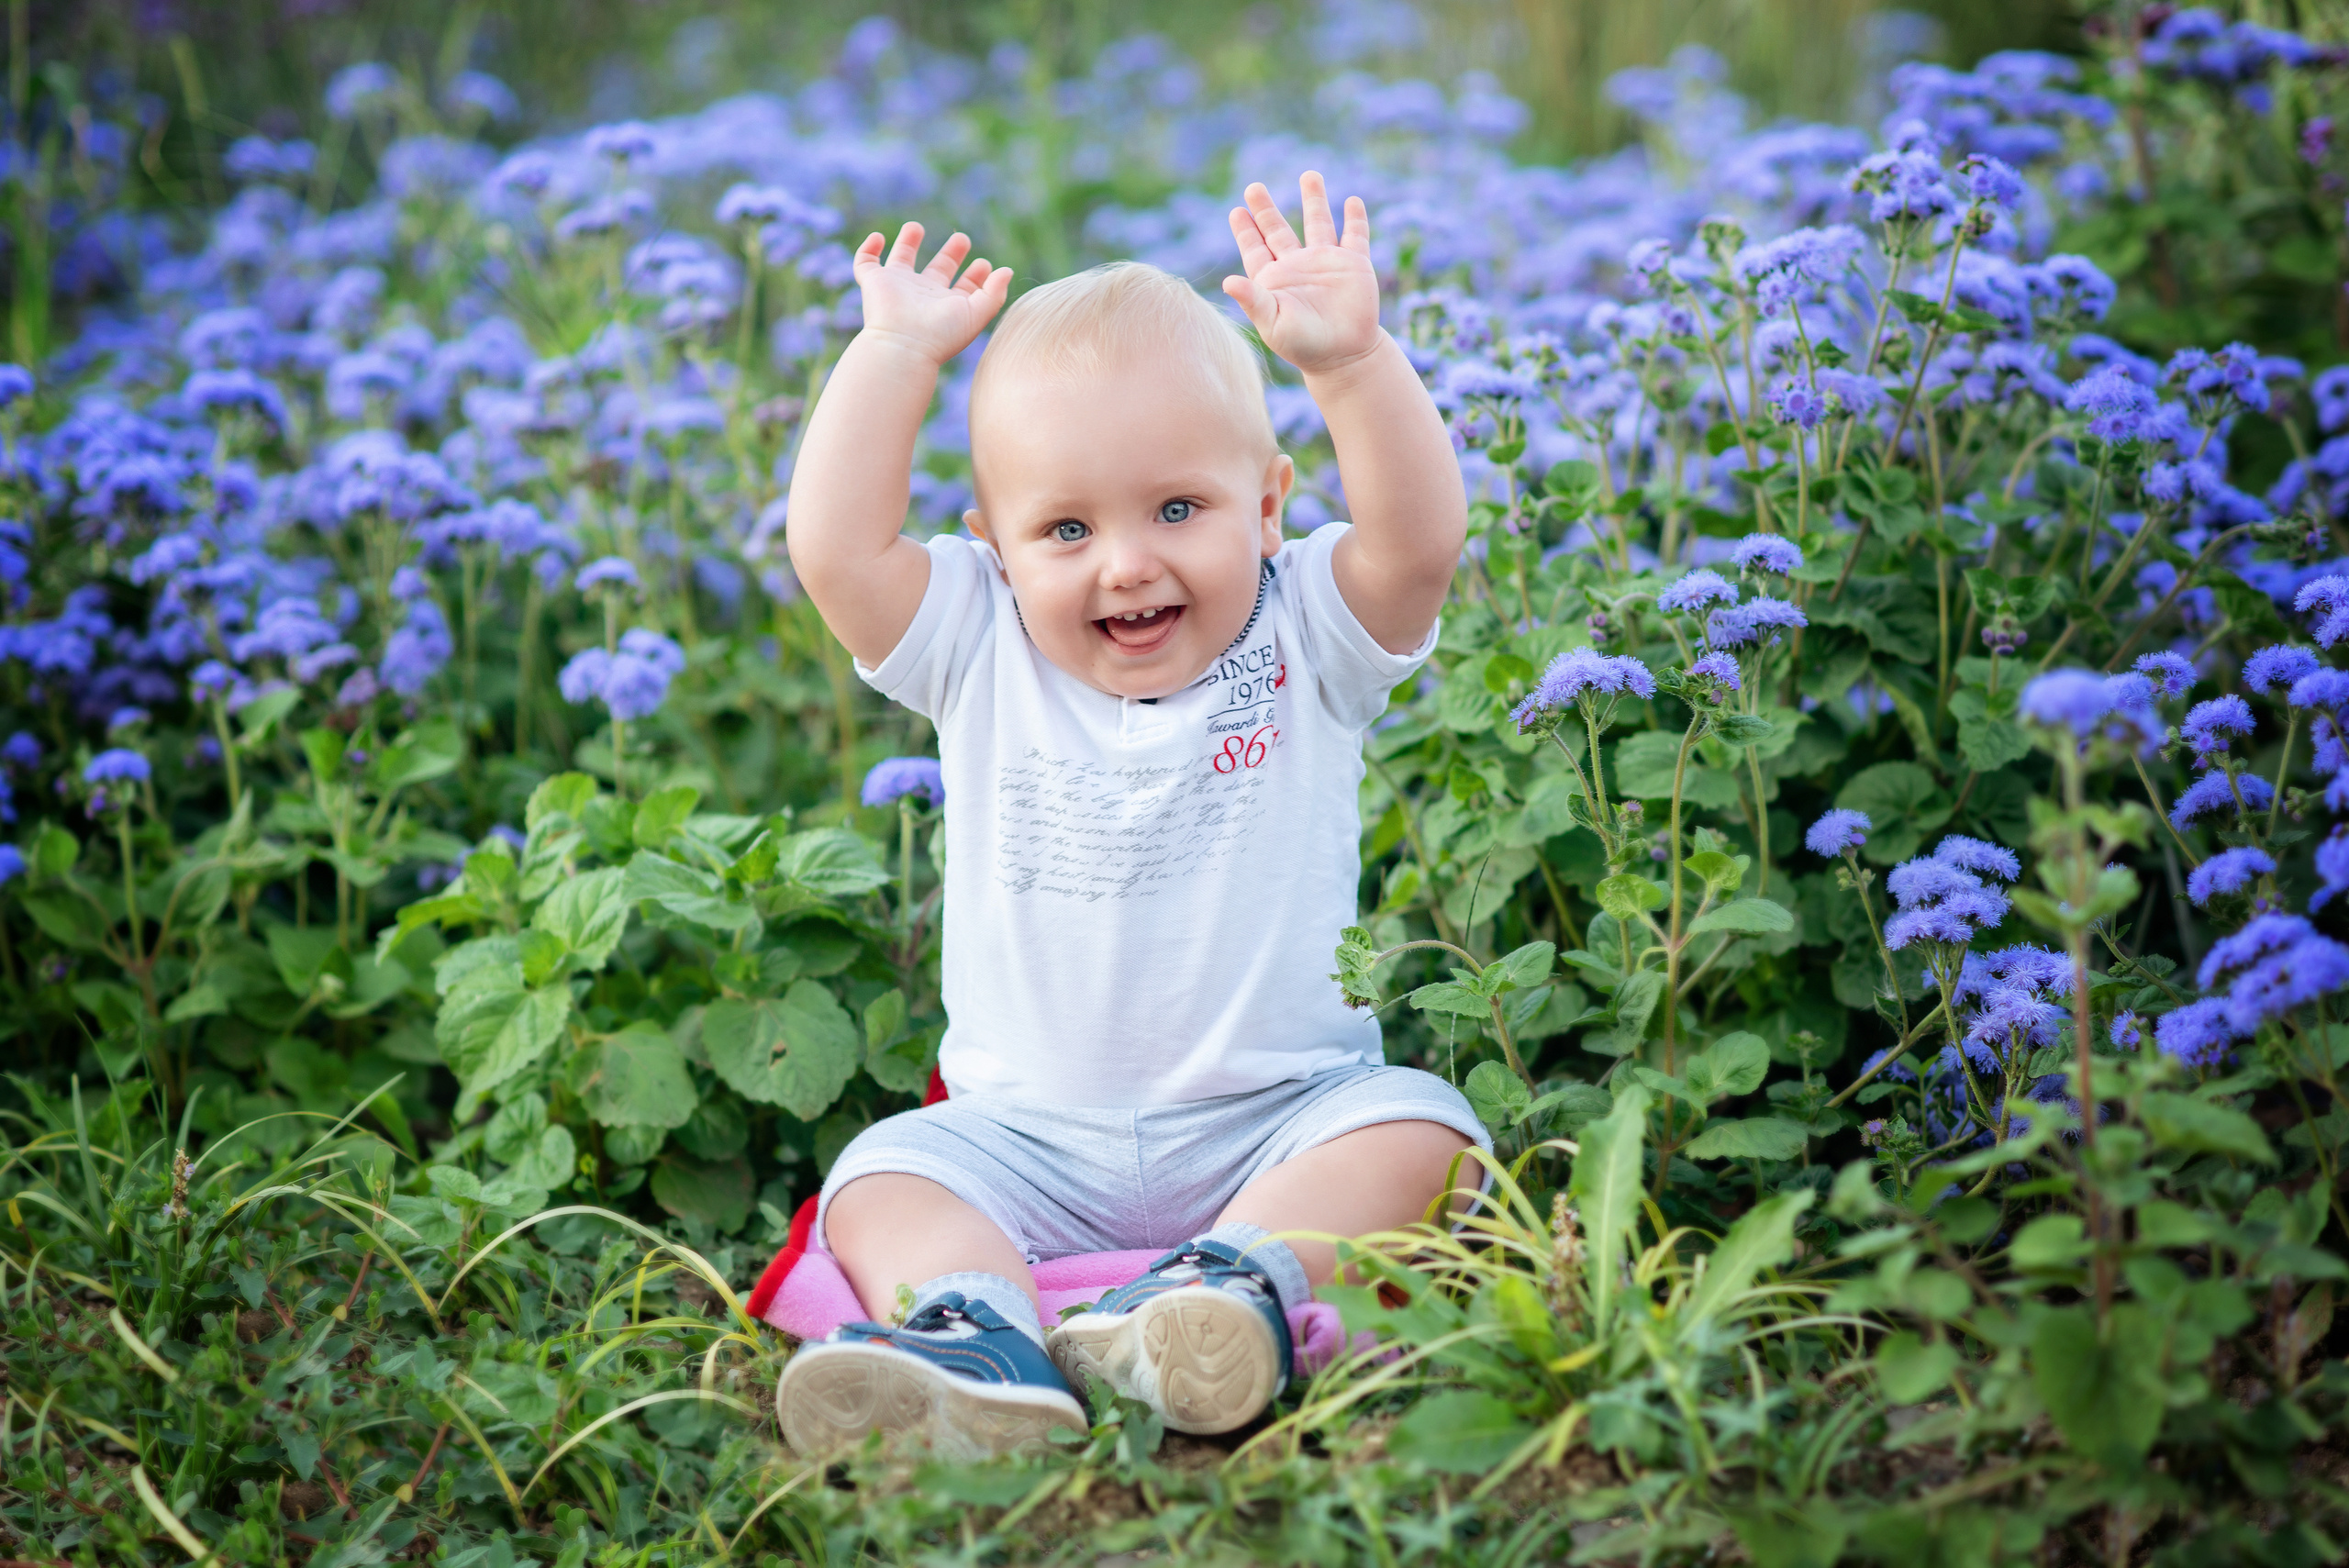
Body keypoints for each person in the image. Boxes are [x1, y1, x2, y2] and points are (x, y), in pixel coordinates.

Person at [774, 172, 1481, 1458]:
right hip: (1027, 1136)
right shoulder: (975, 641)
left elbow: (1420, 545)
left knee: (1423, 1130)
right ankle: (973, 1331)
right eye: (1066, 527)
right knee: (884, 1173)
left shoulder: (1309, 627)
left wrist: (1354, 362)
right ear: (992, 546)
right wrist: (891, 357)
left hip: (1278, 1114)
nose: (1127, 561)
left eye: (1177, 508)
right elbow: (832, 549)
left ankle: (1229, 1287)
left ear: (1267, 508)